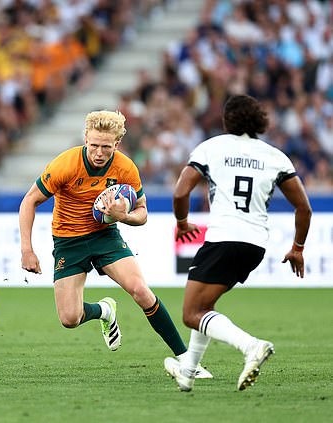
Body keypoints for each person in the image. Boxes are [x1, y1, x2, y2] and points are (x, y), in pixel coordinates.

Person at [19, 110, 212, 377]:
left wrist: (125, 217)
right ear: (85, 138)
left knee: (141, 291)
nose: (99, 152)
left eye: (106, 147)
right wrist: (27, 250)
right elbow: (29, 201)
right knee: (69, 319)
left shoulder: (124, 167)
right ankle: (104, 310)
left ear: (116, 144)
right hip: (68, 240)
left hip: (105, 236)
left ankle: (188, 361)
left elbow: (142, 212)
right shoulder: (64, 165)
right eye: (94, 145)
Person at [163, 95, 312, 392]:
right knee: (205, 307)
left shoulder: (211, 148)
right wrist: (297, 248)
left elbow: (180, 193)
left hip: (223, 238)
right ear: (259, 122)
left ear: (225, 120)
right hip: (255, 246)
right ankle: (188, 372)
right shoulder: (276, 157)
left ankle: (251, 346)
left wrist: (181, 223)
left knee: (191, 314)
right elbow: (304, 208)